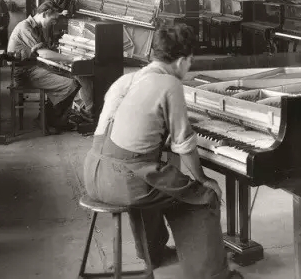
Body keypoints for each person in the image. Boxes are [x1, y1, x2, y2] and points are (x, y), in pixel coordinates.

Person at [83, 24, 243, 279]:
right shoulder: (170, 83)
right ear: (181, 61)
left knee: (161, 179)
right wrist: (202, 178)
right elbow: (184, 145)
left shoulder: (126, 80)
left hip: (94, 174)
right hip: (125, 181)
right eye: (190, 62)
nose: (188, 68)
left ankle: (153, 254)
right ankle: (213, 275)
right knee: (203, 196)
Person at [7, 1, 94, 133]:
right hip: (24, 73)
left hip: (33, 68)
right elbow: (43, 53)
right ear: (44, 14)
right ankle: (51, 120)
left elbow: (45, 51)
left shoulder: (36, 27)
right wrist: (71, 59)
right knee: (70, 84)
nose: (54, 23)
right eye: (53, 19)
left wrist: (61, 60)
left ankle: (52, 118)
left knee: (72, 77)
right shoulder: (25, 27)